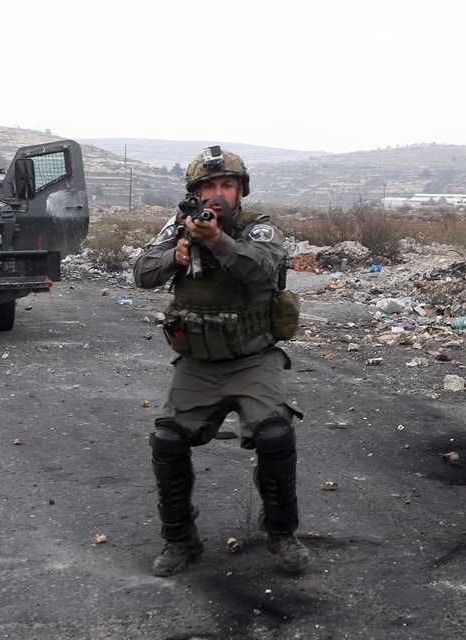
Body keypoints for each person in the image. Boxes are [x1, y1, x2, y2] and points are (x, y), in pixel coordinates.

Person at [133, 146, 309, 577]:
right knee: (168, 442)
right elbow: (141, 273)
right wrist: (171, 256)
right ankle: (180, 540)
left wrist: (218, 240)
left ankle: (281, 533)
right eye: (208, 187)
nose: (217, 195)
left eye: (226, 186)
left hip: (253, 359)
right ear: (195, 193)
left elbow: (263, 271)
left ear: (240, 191)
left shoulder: (259, 230)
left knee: (274, 437)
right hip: (197, 362)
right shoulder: (177, 227)